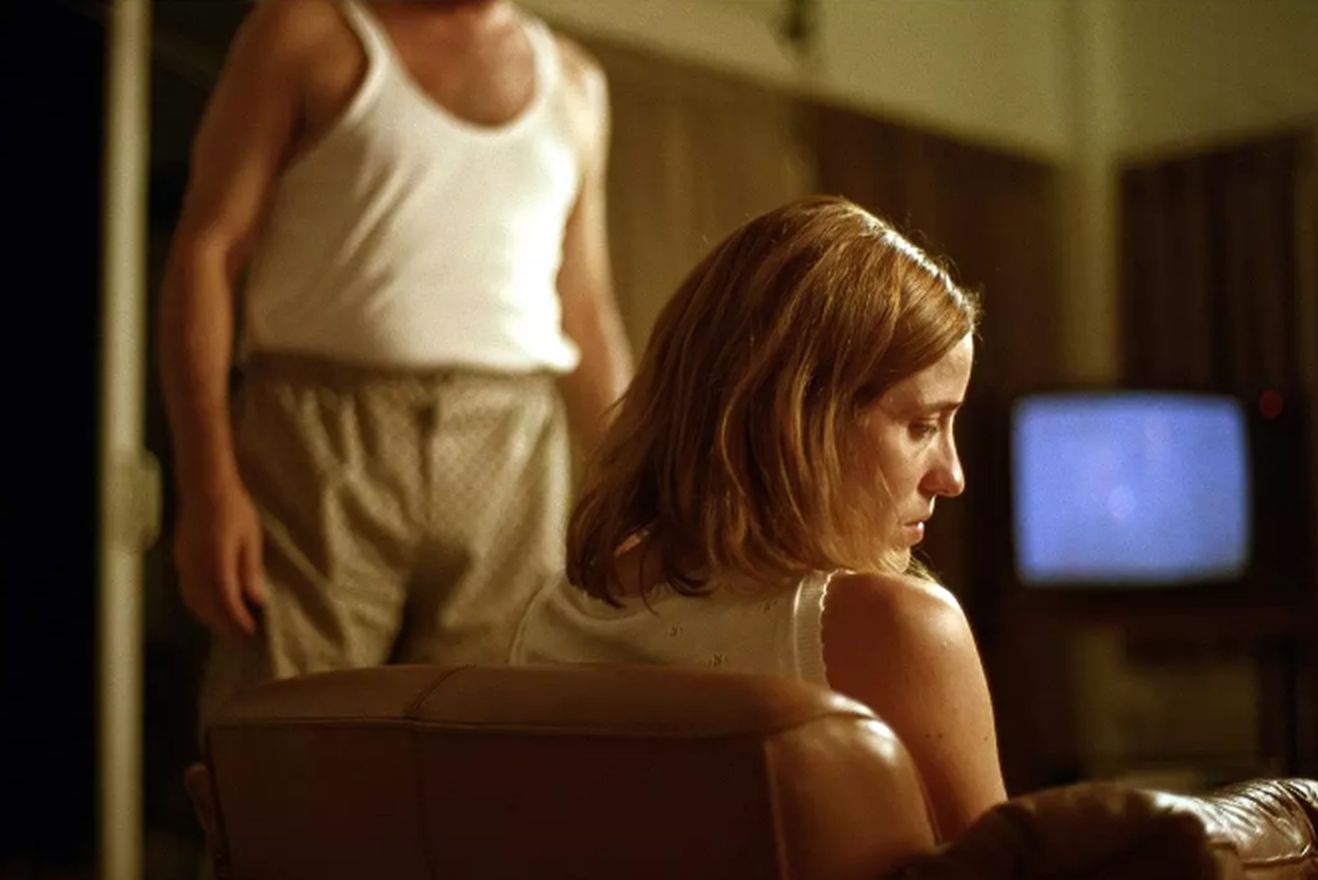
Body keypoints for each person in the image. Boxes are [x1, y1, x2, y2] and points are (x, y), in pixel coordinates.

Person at [160, 0, 631, 729]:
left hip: (510, 450)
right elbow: (208, 249)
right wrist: (206, 485)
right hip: (321, 440)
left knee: (485, 741)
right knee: (286, 737)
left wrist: (641, 492)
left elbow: (586, 308)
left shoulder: (575, 83)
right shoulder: (309, 33)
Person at [511, 195, 1005, 839]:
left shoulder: (554, 616)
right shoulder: (900, 628)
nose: (952, 476)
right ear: (799, 417)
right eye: (921, 425)